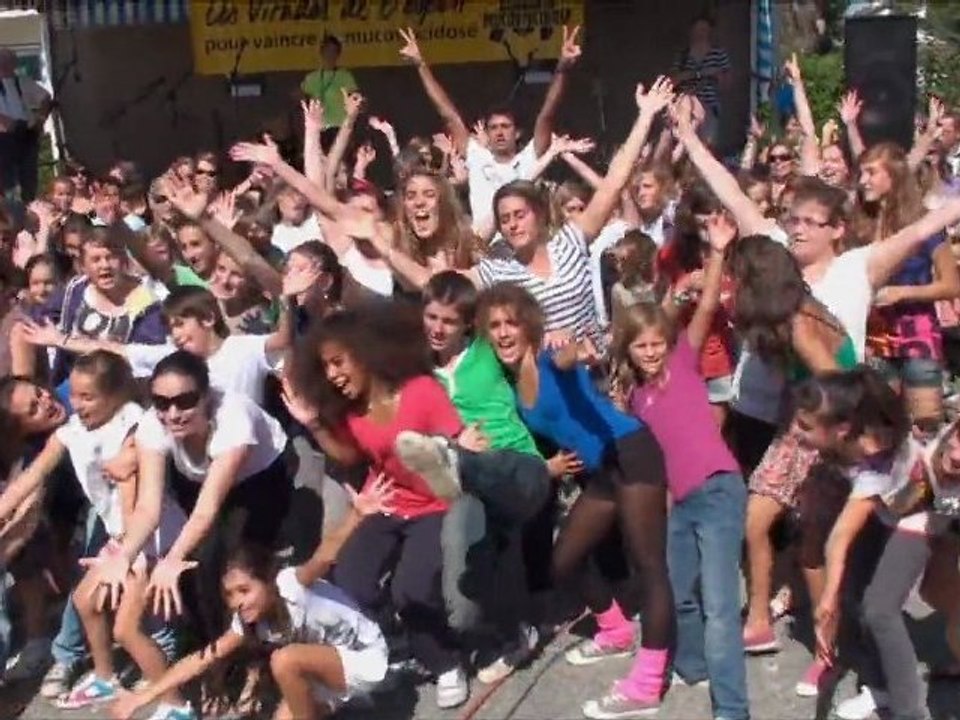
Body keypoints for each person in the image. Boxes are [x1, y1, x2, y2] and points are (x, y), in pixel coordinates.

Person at [476, 283, 674, 718]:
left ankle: (647, 684)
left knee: (649, 567)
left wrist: (579, 348)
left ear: (530, 326)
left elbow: (573, 355)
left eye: (512, 322)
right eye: (495, 326)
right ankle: (616, 630)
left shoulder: (551, 359)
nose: (504, 333)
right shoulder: (509, 385)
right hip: (604, 469)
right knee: (564, 559)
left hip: (633, 452)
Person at [612, 212, 747, 720]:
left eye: (656, 344)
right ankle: (693, 667)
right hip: (679, 502)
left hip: (718, 490)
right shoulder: (634, 399)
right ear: (628, 348)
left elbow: (707, 304)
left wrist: (716, 252)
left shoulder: (683, 364)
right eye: (640, 345)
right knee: (675, 591)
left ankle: (731, 710)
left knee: (717, 609)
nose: (650, 352)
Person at [109, 544, 388, 720]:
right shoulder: (249, 622)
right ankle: (345, 698)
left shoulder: (291, 585)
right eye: (230, 595)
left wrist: (359, 512)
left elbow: (325, 555)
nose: (237, 601)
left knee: (285, 660)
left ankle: (350, 692)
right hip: (323, 668)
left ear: (268, 582)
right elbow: (203, 658)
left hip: (365, 658)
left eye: (245, 590)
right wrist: (145, 696)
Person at [0, 47, 52, 202]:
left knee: (28, 176)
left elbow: (45, 97)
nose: (7, 66)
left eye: (9, 63)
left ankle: (27, 206)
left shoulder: (21, 82)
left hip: (24, 133)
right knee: (7, 181)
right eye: (3, 62)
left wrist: (40, 119)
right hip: (2, 138)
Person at [671, 17, 730, 146]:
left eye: (704, 29)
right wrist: (699, 74)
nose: (701, 33)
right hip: (686, 109)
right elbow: (673, 81)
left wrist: (717, 75)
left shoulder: (718, 54)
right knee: (683, 146)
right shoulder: (683, 55)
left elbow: (726, 84)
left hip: (709, 108)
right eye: (698, 29)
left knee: (707, 147)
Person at [300, 35, 358, 147]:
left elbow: (355, 99)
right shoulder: (311, 78)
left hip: (340, 128)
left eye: (333, 51)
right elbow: (303, 100)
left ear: (338, 54)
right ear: (321, 52)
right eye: (327, 50)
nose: (330, 54)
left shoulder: (345, 76)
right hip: (320, 129)